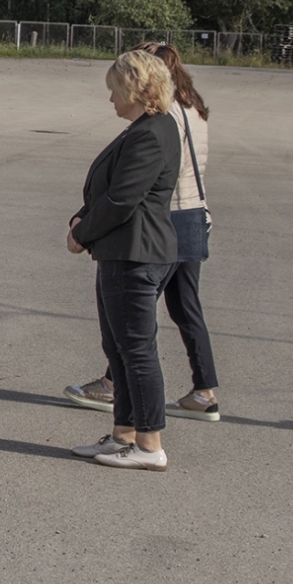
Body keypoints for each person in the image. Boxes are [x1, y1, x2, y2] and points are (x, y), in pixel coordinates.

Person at [64, 43, 220, 420]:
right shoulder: (194, 109)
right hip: (193, 211)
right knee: (183, 310)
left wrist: (85, 229)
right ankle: (204, 389)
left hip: (165, 218)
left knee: (133, 331)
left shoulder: (163, 119)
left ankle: (124, 400)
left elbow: (130, 189)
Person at [65, 50, 181, 471]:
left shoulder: (153, 132)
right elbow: (111, 192)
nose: (111, 99)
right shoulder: (146, 128)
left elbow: (123, 198)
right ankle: (124, 435)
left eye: (115, 90)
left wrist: (81, 233)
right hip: (124, 252)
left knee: (136, 351)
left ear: (136, 89)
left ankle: (150, 444)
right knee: (119, 348)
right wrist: (84, 214)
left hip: (136, 253)